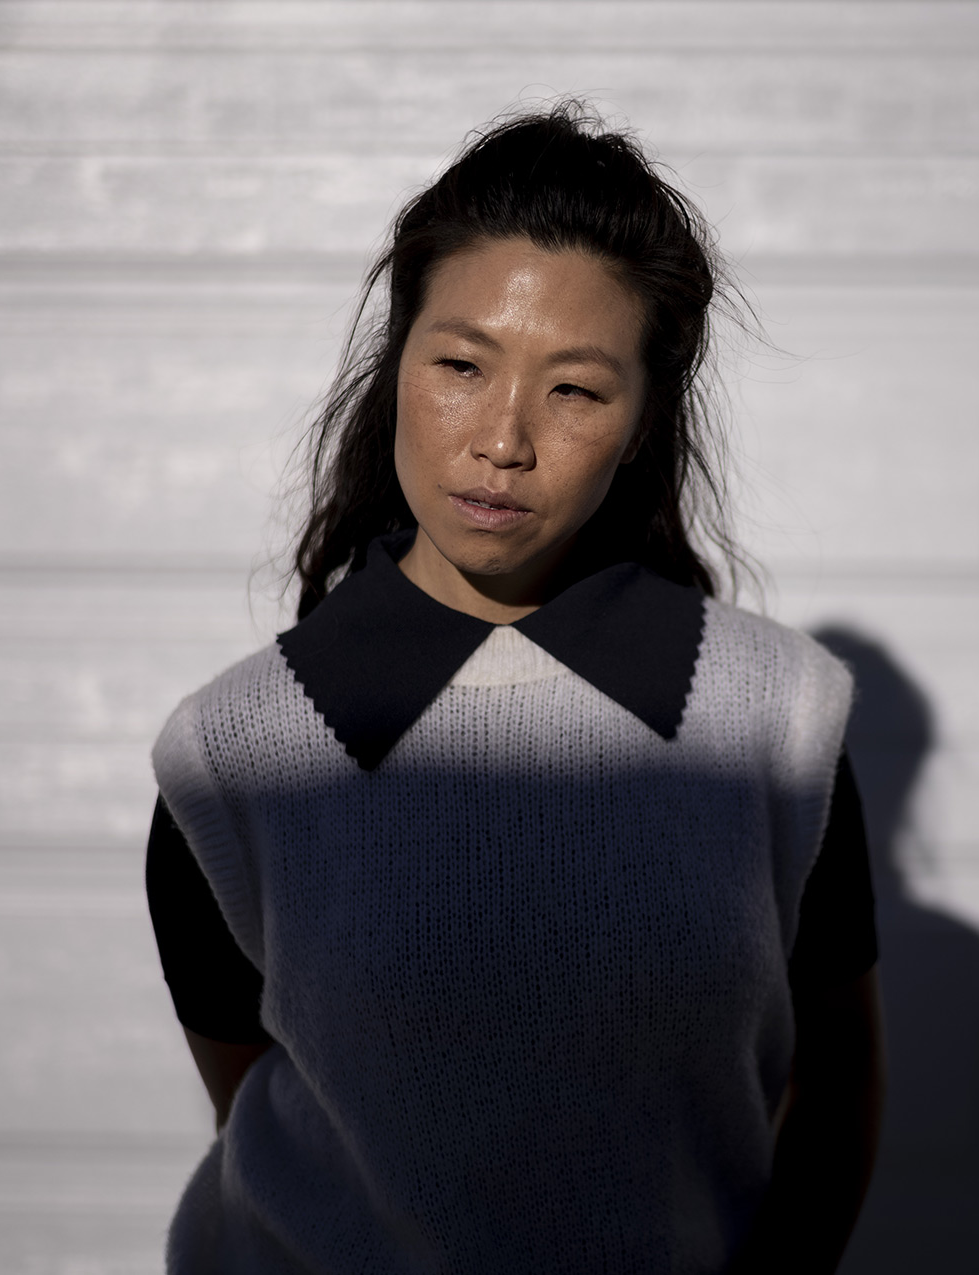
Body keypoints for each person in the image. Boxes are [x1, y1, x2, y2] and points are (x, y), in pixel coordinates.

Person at [143, 103, 886, 1273]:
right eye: (459, 366)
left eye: (576, 391)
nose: (503, 439)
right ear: (399, 369)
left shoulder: (776, 724)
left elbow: (837, 1075)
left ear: (643, 424)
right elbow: (271, 1115)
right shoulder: (235, 757)